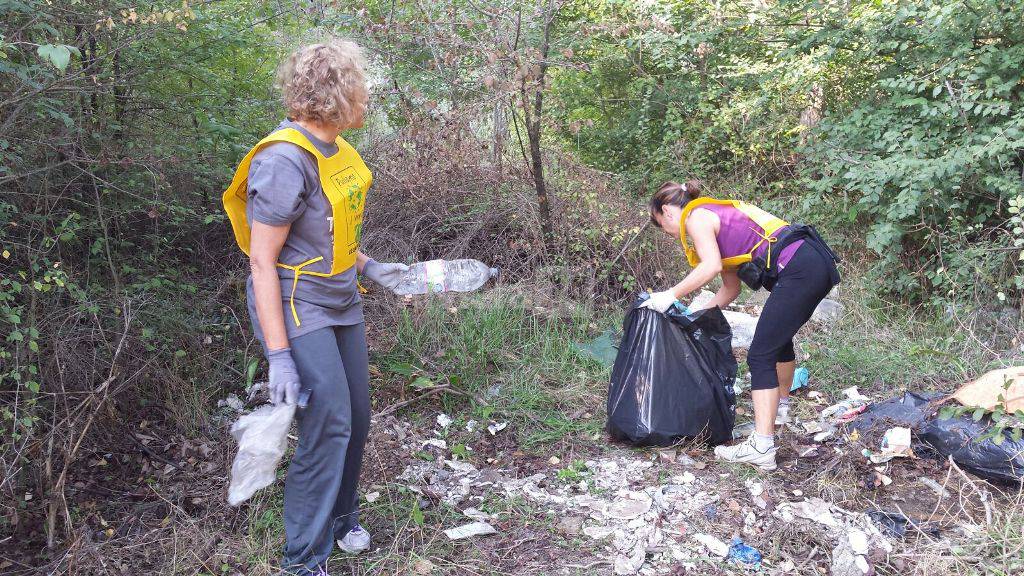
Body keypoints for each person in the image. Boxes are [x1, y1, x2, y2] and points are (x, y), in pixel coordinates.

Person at [221, 40, 407, 575]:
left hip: (341, 298)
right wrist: (278, 355)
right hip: (297, 304)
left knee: (357, 418)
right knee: (328, 422)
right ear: (339, 92)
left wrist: (369, 266)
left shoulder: (338, 149)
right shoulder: (284, 160)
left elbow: (326, 235)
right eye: (361, 85)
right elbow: (263, 262)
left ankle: (342, 516)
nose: (367, 96)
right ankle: (303, 559)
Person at [645, 180, 839, 471]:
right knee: (776, 339)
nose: (670, 234)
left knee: (760, 355)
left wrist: (669, 295)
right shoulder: (715, 217)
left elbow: (708, 267)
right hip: (812, 261)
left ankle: (762, 446)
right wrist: (691, 319)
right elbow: (730, 289)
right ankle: (779, 411)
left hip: (800, 266)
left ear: (666, 212)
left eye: (662, 226)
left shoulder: (696, 217)